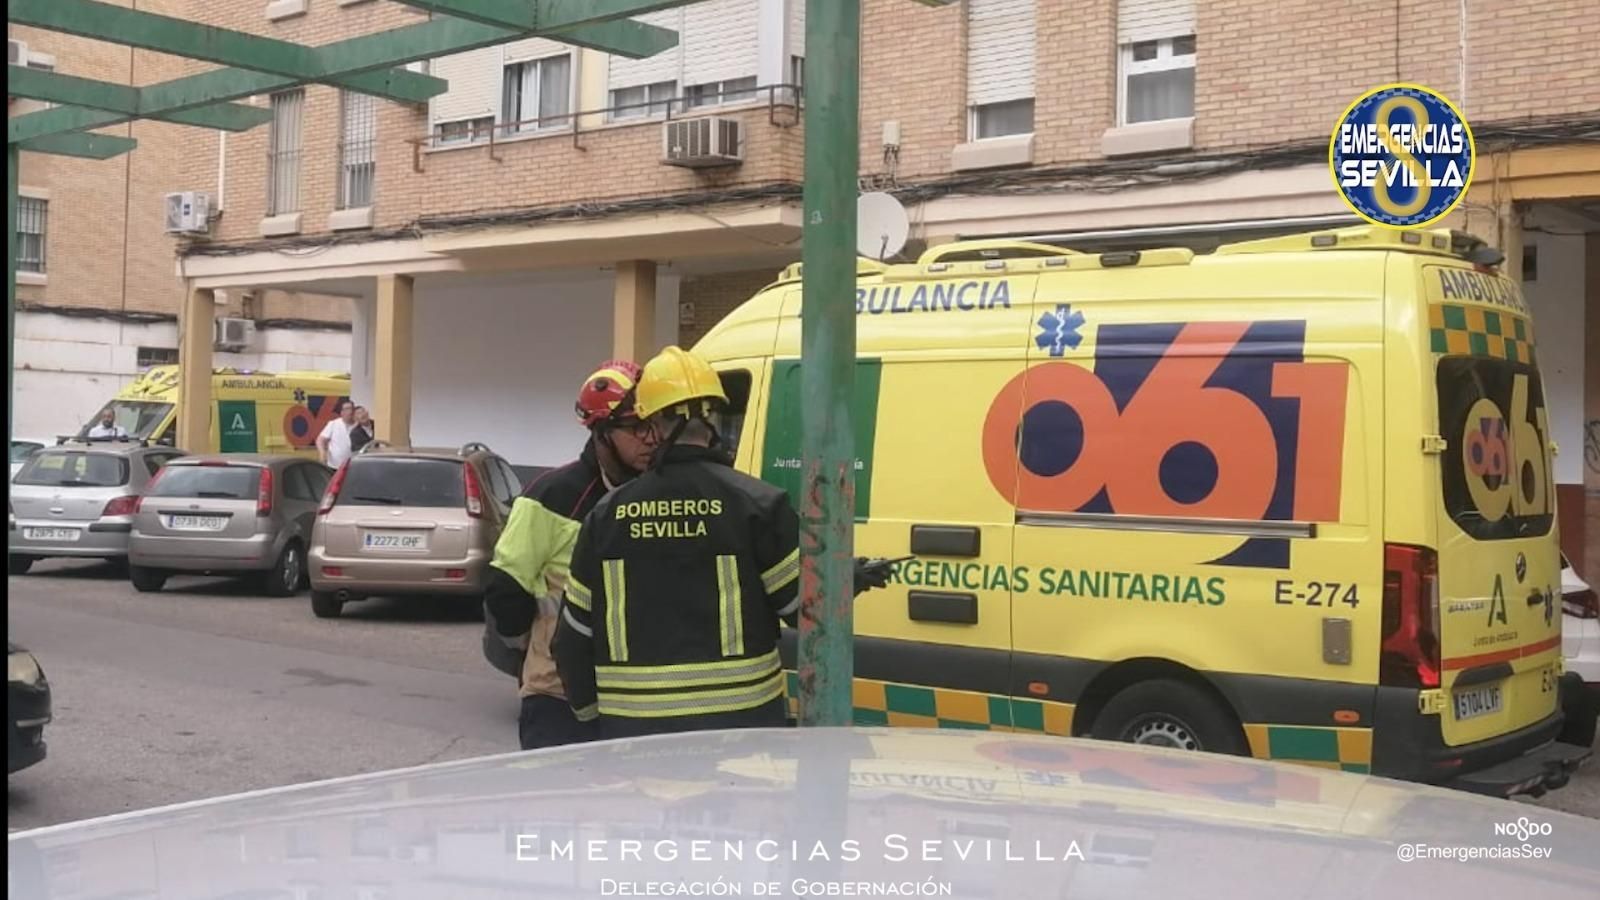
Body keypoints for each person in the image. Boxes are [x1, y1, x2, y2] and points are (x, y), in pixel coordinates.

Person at [552, 346, 890, 740]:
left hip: (633, 735)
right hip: (742, 731)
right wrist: (846, 576)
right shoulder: (759, 504)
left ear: (654, 424)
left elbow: (572, 639)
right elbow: (802, 608)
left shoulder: (606, 516)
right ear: (712, 418)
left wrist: (593, 719)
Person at [483, 361, 655, 750]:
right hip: (558, 696)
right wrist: (525, 652)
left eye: (653, 425)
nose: (649, 439)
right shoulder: (554, 494)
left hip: (638, 697)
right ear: (600, 432)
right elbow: (505, 585)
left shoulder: (658, 493)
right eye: (634, 428)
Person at [316, 401, 357, 468]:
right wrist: (322, 453)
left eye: (352, 408)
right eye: (347, 409)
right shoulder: (334, 424)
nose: (350, 411)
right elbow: (320, 440)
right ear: (341, 412)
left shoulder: (358, 425)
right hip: (335, 467)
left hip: (353, 467)